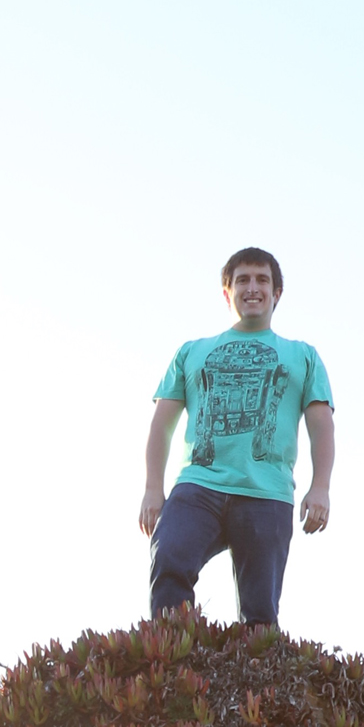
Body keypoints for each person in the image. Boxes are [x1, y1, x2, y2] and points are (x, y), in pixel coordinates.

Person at [139, 248, 334, 628]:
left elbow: (321, 424)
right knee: (169, 560)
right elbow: (161, 423)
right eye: (242, 279)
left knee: (259, 614)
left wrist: (320, 487)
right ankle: (174, 658)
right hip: (199, 487)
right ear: (227, 293)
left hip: (267, 494)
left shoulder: (302, 356)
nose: (253, 287)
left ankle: (255, 685)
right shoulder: (193, 351)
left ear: (277, 293)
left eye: (262, 280)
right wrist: (151, 488)